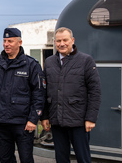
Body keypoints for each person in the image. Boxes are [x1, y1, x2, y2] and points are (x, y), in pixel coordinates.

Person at [0, 28, 46, 163]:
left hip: (23, 124)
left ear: (19, 42)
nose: (6, 44)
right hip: (1, 123)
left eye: (10, 41)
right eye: (4, 41)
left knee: (26, 159)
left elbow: (39, 94)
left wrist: (33, 119)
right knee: (5, 159)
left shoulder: (31, 65)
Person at [41, 27, 101, 163]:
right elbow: (44, 91)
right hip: (56, 121)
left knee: (83, 159)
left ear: (72, 40)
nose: (62, 44)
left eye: (65, 40)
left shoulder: (86, 61)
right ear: (54, 42)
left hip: (78, 121)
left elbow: (95, 91)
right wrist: (44, 116)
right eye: (58, 41)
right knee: (61, 158)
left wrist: (91, 118)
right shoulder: (49, 62)